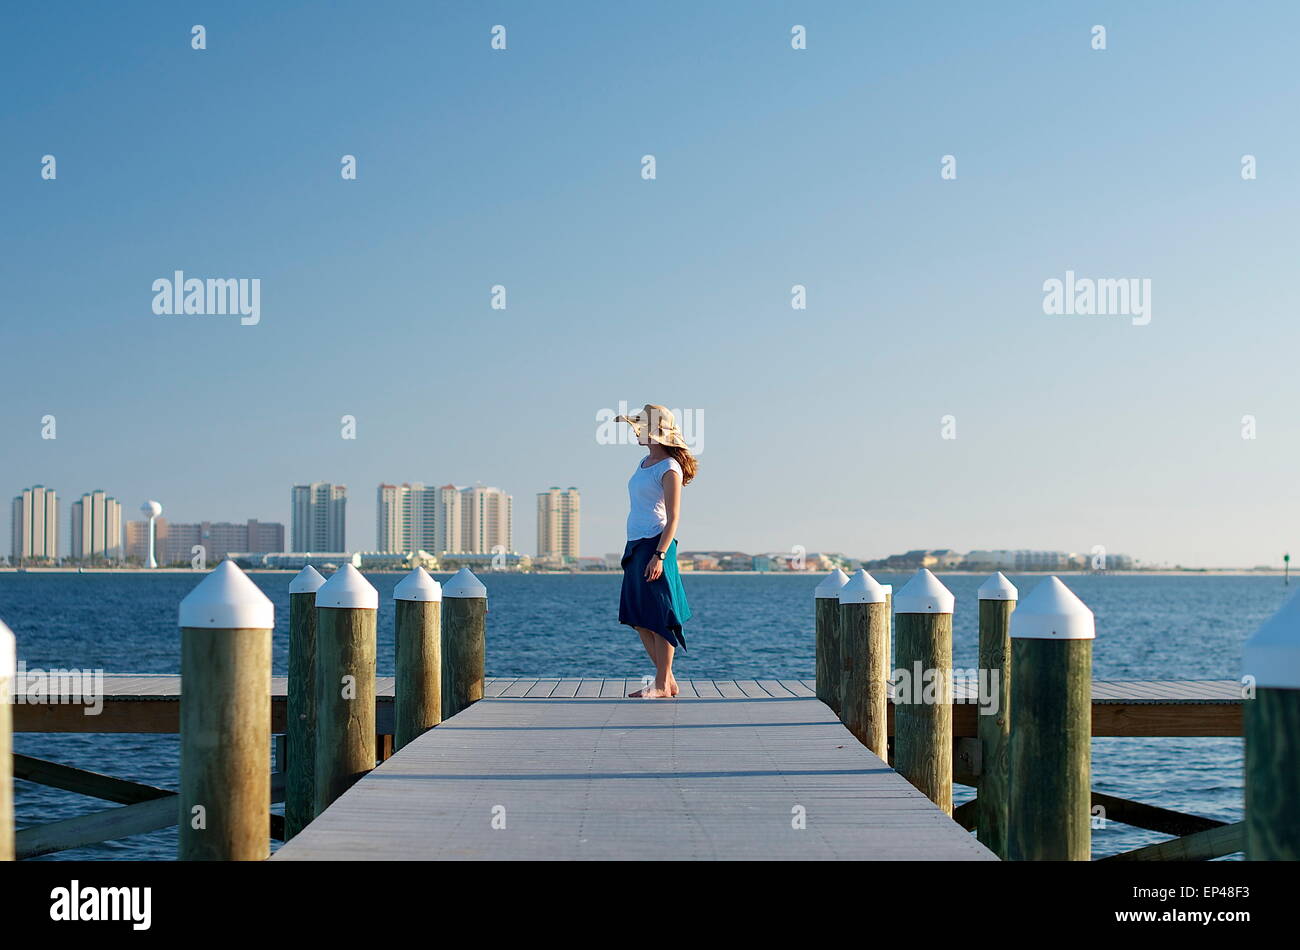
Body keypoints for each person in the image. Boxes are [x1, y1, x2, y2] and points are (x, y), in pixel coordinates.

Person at [616, 404, 697, 698]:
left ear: (655, 431)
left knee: (660, 615)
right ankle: (668, 681)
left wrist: (659, 555)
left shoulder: (669, 468)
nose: (635, 431)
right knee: (638, 617)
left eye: (639, 426)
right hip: (636, 545)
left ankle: (662, 683)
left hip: (656, 545)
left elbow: (674, 517)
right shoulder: (643, 462)